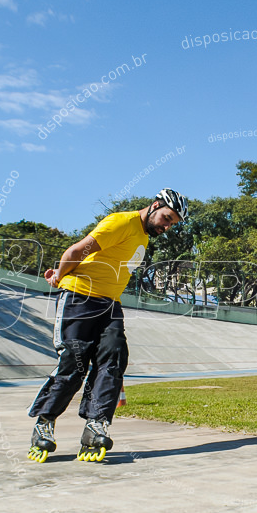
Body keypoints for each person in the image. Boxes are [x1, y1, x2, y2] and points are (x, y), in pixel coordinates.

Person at [27, 188, 188, 463]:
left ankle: (96, 425)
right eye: (167, 217)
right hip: (79, 298)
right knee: (73, 365)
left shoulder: (143, 237)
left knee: (113, 360)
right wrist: (58, 276)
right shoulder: (121, 222)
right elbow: (78, 250)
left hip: (109, 305)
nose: (167, 226)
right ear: (155, 205)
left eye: (172, 223)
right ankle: (44, 423)